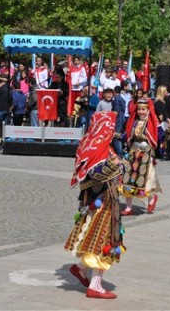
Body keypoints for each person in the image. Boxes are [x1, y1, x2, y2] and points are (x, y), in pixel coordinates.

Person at [64, 111, 124, 299]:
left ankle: (81, 268)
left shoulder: (93, 144)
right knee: (103, 242)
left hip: (102, 202)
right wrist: (119, 166)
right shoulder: (97, 148)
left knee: (93, 239)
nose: (113, 131)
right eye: (111, 127)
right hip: (102, 204)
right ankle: (95, 286)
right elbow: (96, 173)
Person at [120, 99, 161, 215]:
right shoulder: (134, 121)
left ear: (148, 110)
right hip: (133, 151)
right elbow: (126, 134)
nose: (141, 112)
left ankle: (152, 198)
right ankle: (128, 207)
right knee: (128, 178)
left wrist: (168, 131)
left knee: (146, 178)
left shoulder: (153, 122)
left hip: (146, 152)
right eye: (139, 109)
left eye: (143, 109)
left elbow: (160, 135)